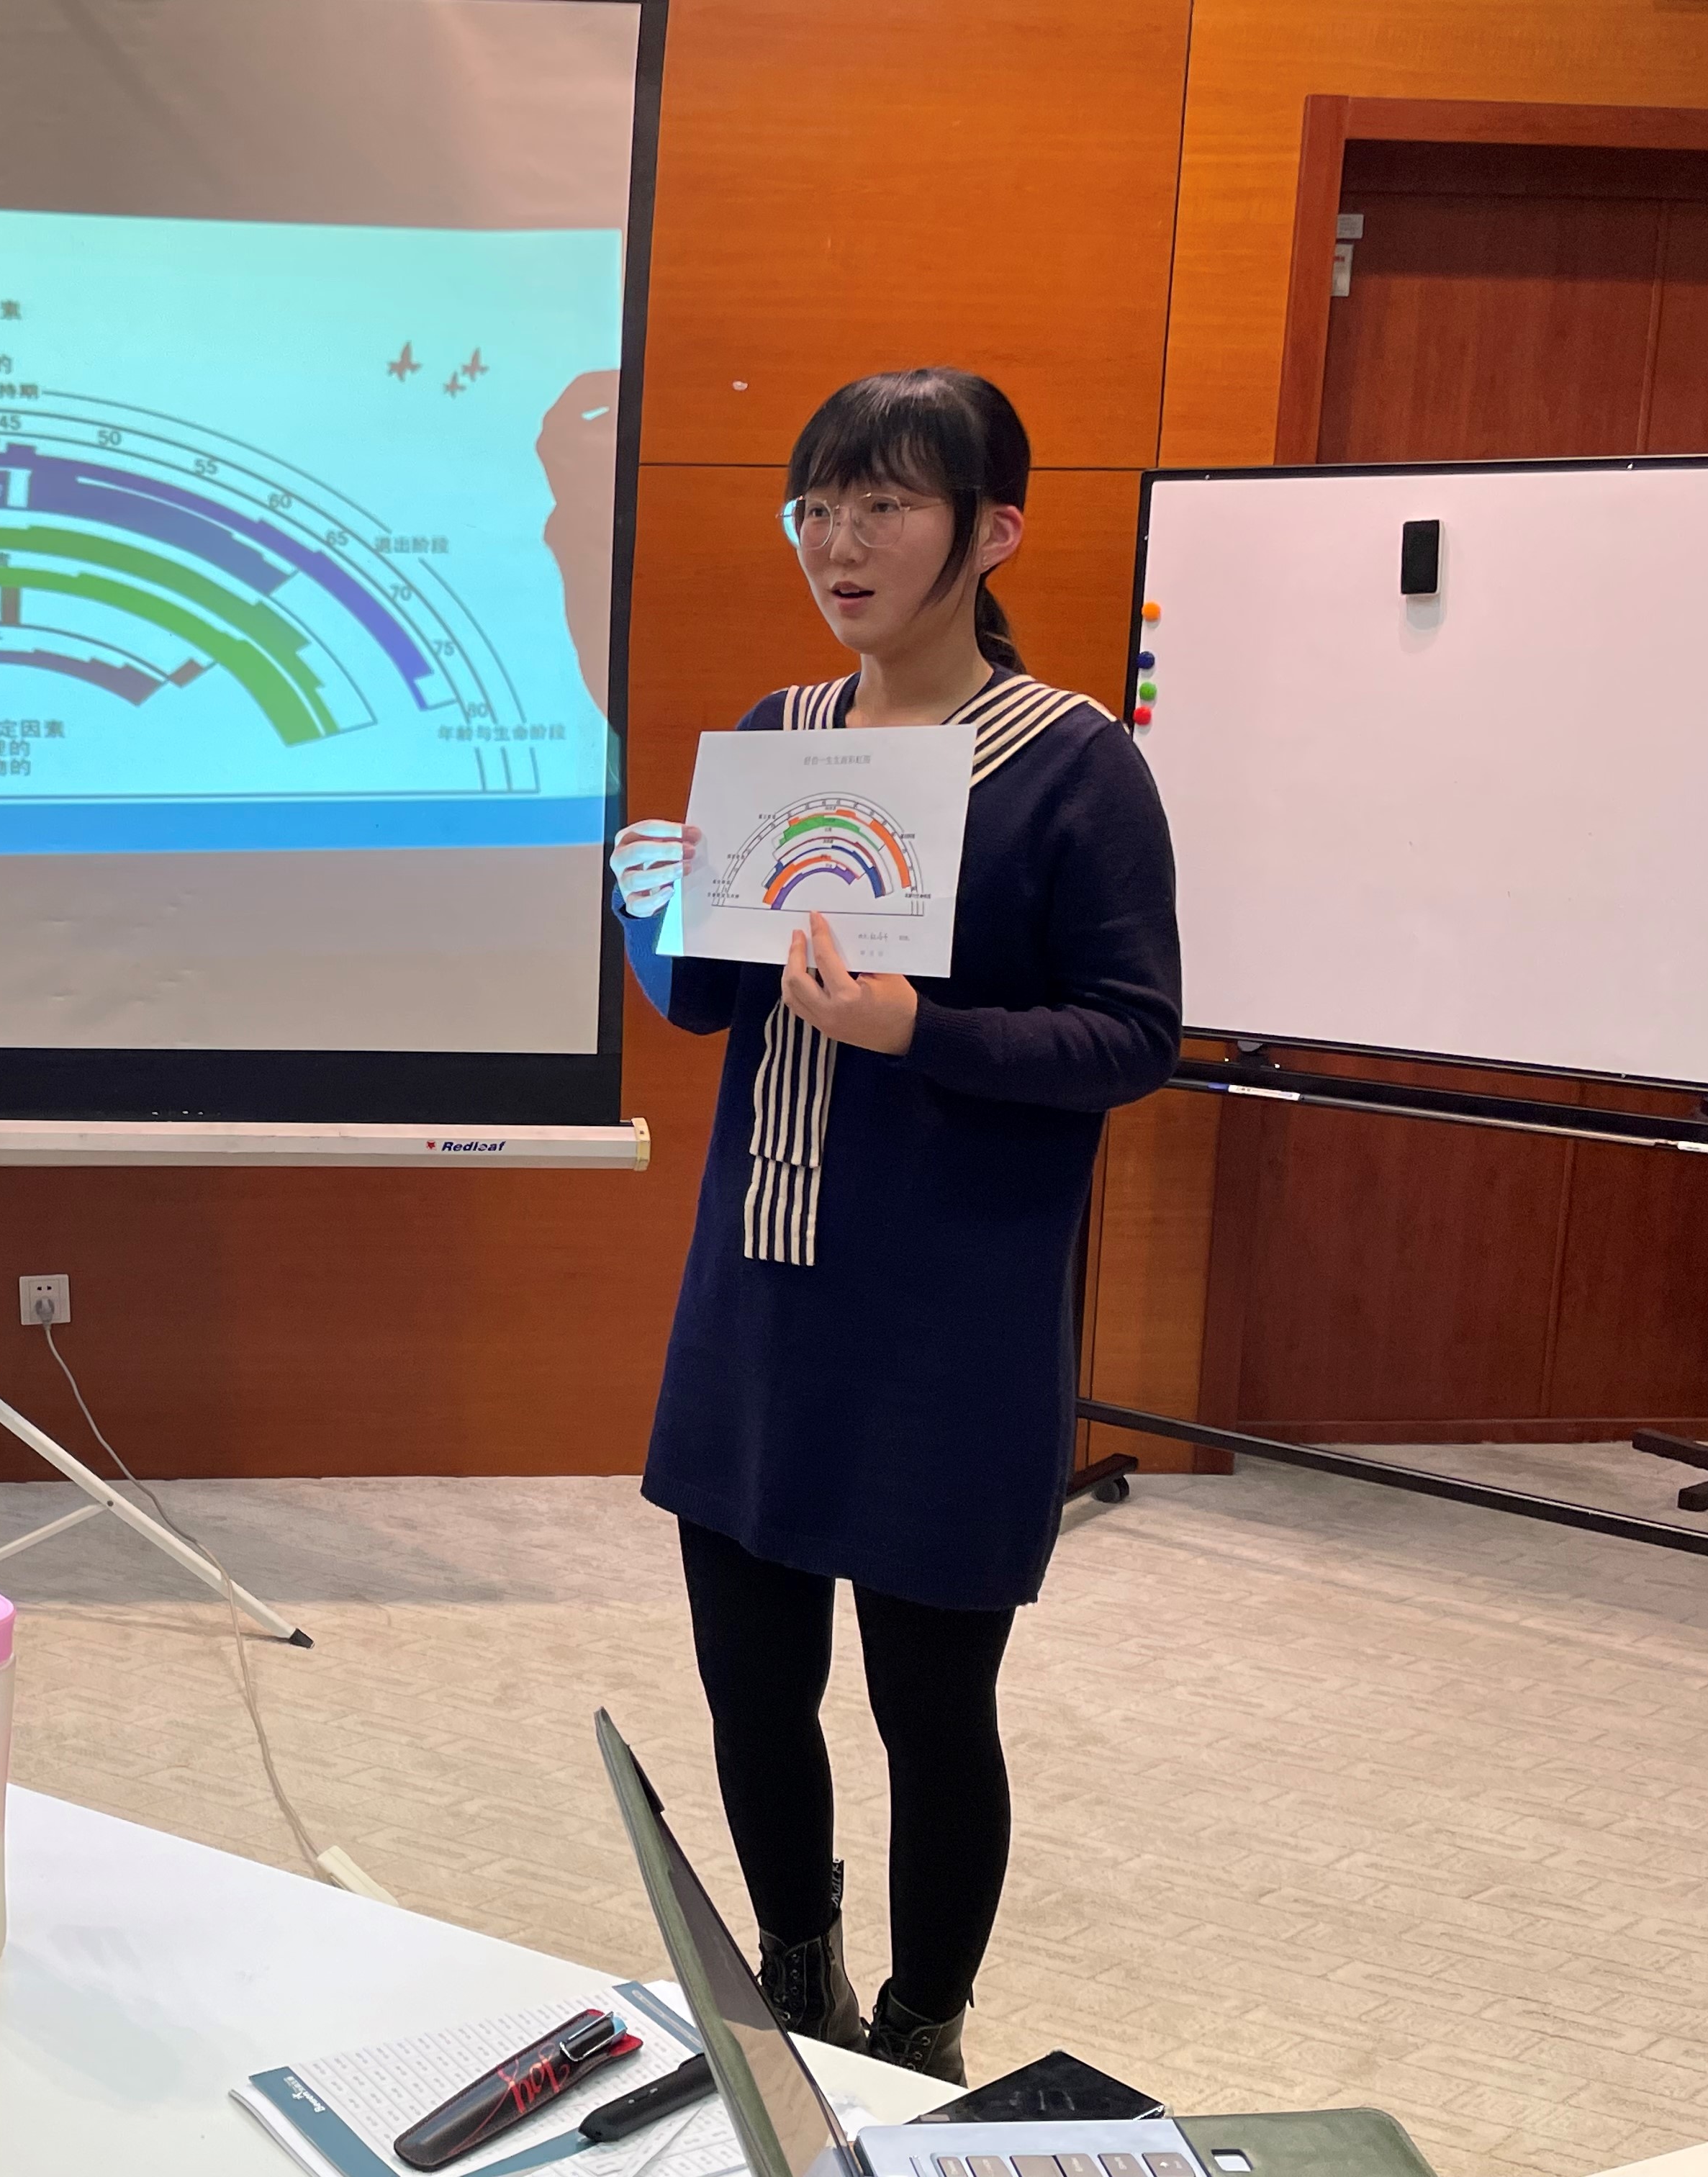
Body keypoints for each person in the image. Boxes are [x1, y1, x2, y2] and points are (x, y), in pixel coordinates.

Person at [605, 369, 1180, 2084]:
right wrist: (651, 912)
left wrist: (919, 1030)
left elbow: (1132, 1036)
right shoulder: (784, 734)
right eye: (819, 507)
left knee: (931, 1707)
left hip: (950, 1317)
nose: (840, 544)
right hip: (759, 1288)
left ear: (992, 532)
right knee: (750, 1683)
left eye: (887, 506)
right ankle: (801, 1982)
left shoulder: (1074, 764)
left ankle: (923, 2031)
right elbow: (712, 1001)